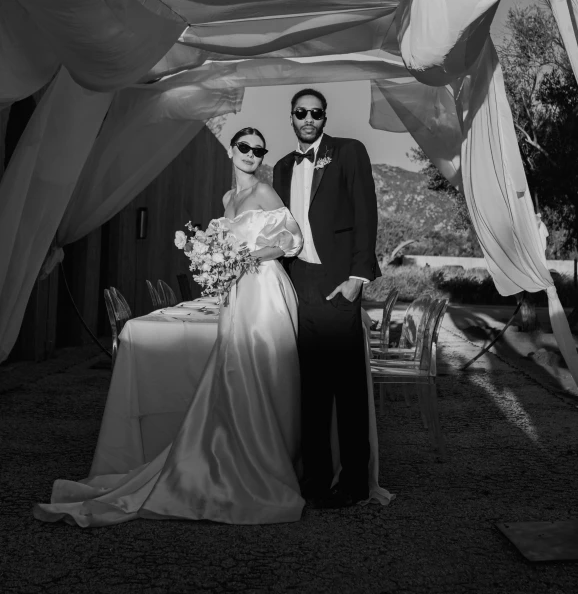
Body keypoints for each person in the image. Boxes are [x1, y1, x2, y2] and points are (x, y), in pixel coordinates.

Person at [34, 128, 305, 526]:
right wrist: (219, 260)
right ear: (231, 150)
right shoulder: (229, 198)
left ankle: (271, 460)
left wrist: (244, 257)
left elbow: (291, 240)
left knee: (263, 367)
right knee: (232, 369)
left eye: (258, 150)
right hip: (237, 290)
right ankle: (230, 452)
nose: (251, 155)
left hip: (264, 287)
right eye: (244, 147)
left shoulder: (264, 192)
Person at [273, 88, 381, 508]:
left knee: (348, 389)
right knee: (312, 390)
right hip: (299, 281)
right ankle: (315, 479)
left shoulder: (349, 152)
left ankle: (354, 483)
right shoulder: (282, 167)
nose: (308, 119)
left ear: (324, 116)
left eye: (316, 113)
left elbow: (365, 213)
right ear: (292, 116)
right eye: (301, 112)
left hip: (338, 281)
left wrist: (357, 278)